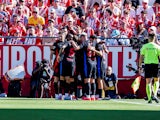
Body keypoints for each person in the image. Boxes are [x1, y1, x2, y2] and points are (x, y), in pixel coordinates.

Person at [139, 33, 160, 103]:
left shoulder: (145, 46)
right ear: (154, 38)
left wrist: (139, 66)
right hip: (155, 65)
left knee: (148, 82)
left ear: (148, 38)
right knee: (156, 80)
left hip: (147, 65)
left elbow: (141, 57)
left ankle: (149, 98)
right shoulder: (157, 47)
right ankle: (155, 94)